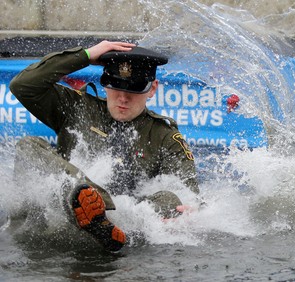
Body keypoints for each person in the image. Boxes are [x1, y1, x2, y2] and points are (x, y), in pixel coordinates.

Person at [9, 40, 200, 252]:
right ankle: (90, 202)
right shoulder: (77, 107)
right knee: (29, 145)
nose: (123, 97)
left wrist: (185, 211)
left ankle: (102, 219)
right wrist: (84, 56)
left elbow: (187, 193)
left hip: (123, 218)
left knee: (170, 198)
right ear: (105, 83)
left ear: (152, 89)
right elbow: (23, 85)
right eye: (116, 85)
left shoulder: (165, 136)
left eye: (134, 89)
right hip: (61, 211)